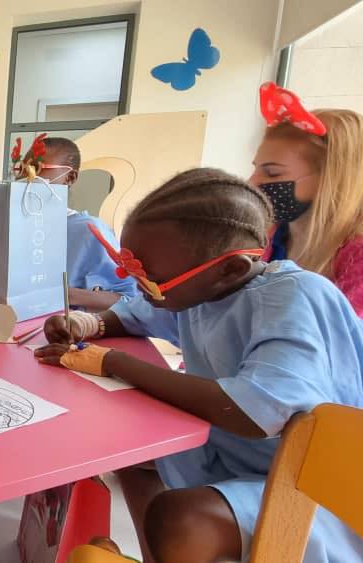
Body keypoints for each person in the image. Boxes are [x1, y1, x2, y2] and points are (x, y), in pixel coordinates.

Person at [34, 168, 363, 562]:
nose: (141, 286)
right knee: (132, 454)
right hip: (243, 457)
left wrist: (114, 362)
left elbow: (255, 414)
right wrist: (85, 324)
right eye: (131, 270)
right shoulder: (202, 290)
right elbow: (133, 314)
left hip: (320, 491)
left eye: (151, 280)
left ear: (231, 269)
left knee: (182, 520)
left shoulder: (292, 299)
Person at [0, 136, 136, 310]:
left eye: (38, 170)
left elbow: (131, 299)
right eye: (22, 169)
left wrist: (66, 295)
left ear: (70, 177)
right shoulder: (15, 224)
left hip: (62, 333)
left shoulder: (89, 231)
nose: (26, 178)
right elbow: (15, 286)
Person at [250, 83, 363, 316]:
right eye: (256, 169)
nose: (252, 182)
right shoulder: (273, 237)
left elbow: (344, 345)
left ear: (331, 178)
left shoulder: (356, 258)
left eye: (272, 173)